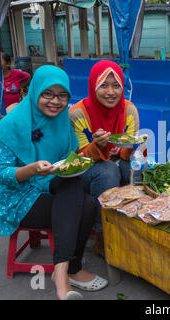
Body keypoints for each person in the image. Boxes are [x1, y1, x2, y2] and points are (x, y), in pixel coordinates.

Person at [0, 65, 108, 300]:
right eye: (48, 94)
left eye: (63, 95)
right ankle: (65, 274)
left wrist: (92, 150)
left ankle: (64, 270)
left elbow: (68, 159)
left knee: (87, 201)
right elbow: (1, 175)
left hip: (49, 184)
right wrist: (31, 169)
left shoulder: (63, 121)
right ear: (34, 92)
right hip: (17, 197)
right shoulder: (12, 124)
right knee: (81, 204)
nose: (56, 102)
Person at [69, 60, 144, 257]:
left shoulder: (129, 110)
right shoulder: (78, 113)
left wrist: (134, 145)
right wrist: (97, 146)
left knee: (137, 167)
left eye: (116, 85)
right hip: (85, 172)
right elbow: (79, 157)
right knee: (107, 170)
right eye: (103, 85)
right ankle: (103, 236)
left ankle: (134, 227)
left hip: (115, 162)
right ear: (93, 86)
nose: (110, 92)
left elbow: (127, 152)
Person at [0, 52, 30, 121]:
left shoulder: (17, 74)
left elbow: (27, 76)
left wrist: (19, 85)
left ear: (8, 63)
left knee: (12, 112)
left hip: (13, 105)